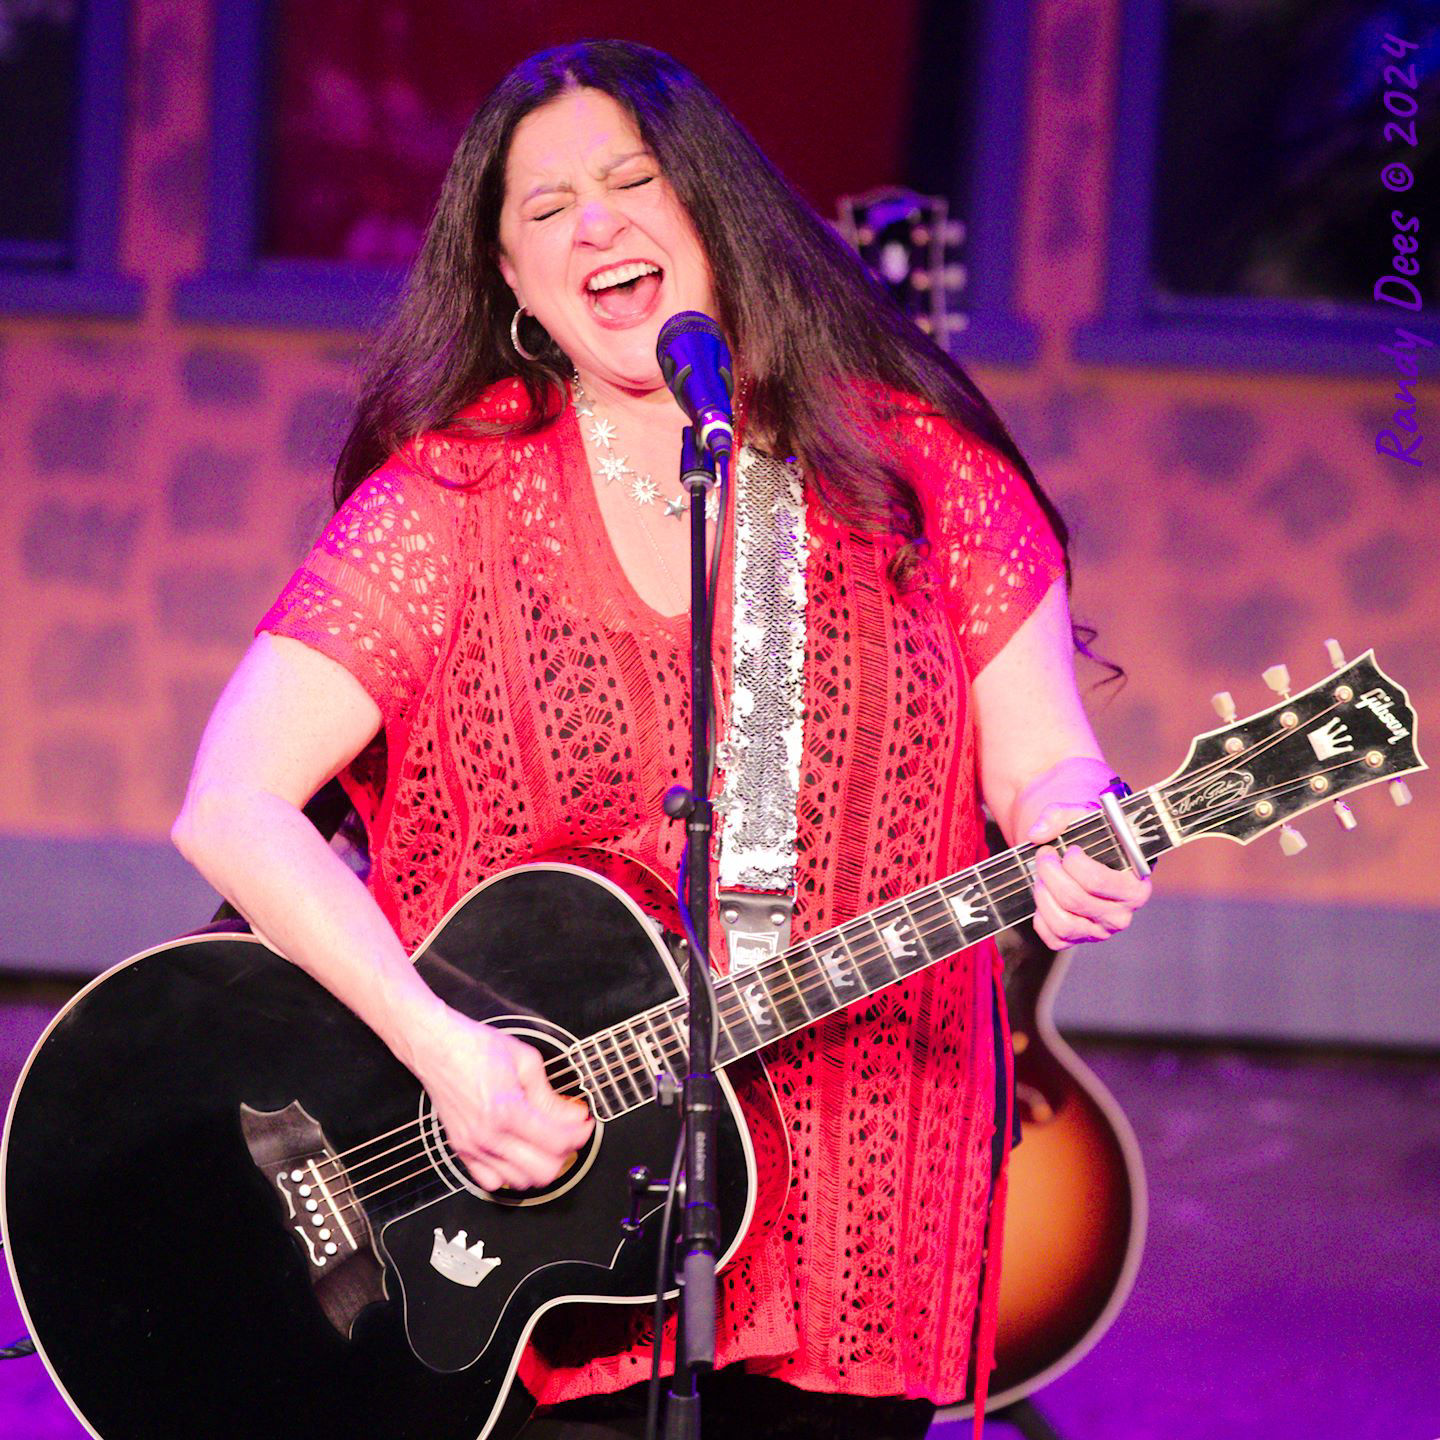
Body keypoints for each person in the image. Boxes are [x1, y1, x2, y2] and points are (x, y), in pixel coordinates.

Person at [172, 39, 1150, 1440]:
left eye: (634, 181)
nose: (597, 223)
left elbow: (1042, 762)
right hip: (532, 1194)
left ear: (715, 214)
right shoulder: (449, 501)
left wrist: (1072, 827)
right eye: (545, 206)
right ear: (511, 280)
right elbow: (233, 804)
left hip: (860, 1185)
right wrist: (447, 1054)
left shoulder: (925, 478)